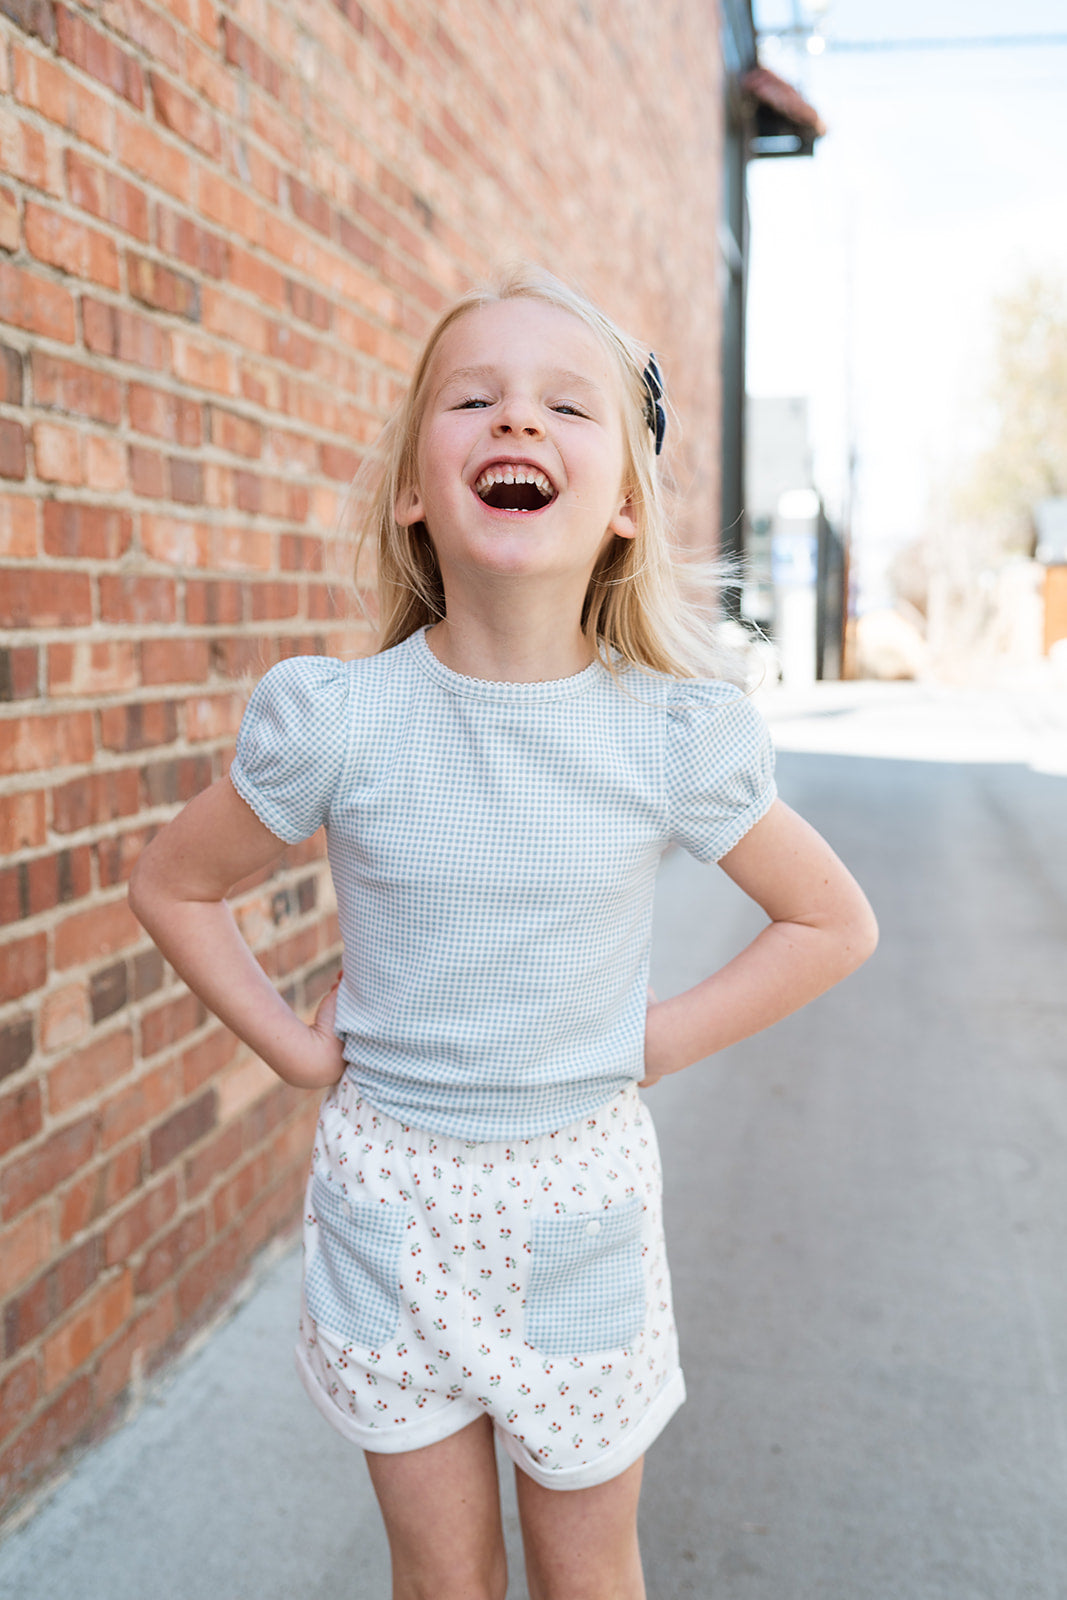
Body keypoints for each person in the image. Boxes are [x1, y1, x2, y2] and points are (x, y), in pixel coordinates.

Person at [129, 265, 878, 1600]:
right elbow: (174, 885)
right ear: (417, 489)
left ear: (627, 515)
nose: (518, 424)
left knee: (584, 1571)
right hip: (385, 1204)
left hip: (576, 1202)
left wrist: (645, 1043)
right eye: (475, 399)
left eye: (566, 407)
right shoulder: (340, 720)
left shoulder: (667, 734)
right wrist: (301, 1059)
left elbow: (830, 920)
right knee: (441, 1574)